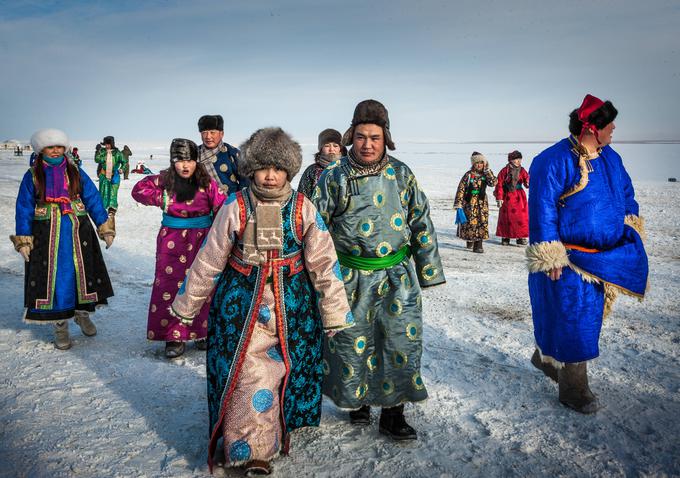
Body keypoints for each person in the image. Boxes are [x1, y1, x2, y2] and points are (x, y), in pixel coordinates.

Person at [170, 127, 353, 475]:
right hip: (241, 306)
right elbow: (210, 258)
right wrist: (187, 304)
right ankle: (252, 450)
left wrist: (334, 312)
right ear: (251, 169)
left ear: (289, 171)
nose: (270, 176)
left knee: (282, 372)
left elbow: (324, 263)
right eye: (264, 168)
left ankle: (268, 436)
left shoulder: (303, 208)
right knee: (248, 373)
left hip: (292, 307)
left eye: (279, 169)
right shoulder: (235, 206)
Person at [312, 99, 445, 440]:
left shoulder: (401, 174)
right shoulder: (333, 176)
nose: (367, 144)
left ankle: (393, 413)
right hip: (350, 278)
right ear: (350, 138)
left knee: (398, 344)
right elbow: (315, 229)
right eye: (360, 137)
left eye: (374, 137)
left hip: (396, 277)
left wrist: (427, 268)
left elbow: (420, 220)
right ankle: (358, 404)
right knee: (353, 343)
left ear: (386, 138)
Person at [527, 94, 648, 414]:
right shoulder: (552, 160)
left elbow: (626, 196)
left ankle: (546, 359)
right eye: (609, 124)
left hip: (604, 257)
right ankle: (573, 388)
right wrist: (550, 254)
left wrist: (629, 230)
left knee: (588, 319)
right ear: (592, 128)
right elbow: (542, 209)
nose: (614, 129)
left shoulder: (612, 159)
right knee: (574, 319)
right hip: (568, 259)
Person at [10, 129, 115, 350]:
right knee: (56, 279)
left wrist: (104, 226)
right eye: (51, 146)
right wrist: (23, 239)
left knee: (81, 274)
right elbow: (24, 207)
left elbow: (92, 197)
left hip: (78, 232)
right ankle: (60, 325)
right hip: (46, 236)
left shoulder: (75, 171)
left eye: (59, 146)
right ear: (41, 150)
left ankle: (81, 314)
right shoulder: (32, 175)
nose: (56, 150)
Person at [132, 139, 226, 358]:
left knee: (202, 283)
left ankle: (202, 332)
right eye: (179, 160)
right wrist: (159, 198)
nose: (185, 166)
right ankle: (174, 336)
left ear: (196, 161)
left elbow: (222, 207)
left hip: (202, 240)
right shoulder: (165, 180)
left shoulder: (207, 182)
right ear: (173, 161)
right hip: (171, 240)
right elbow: (138, 190)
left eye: (190, 160)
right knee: (170, 285)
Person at [453, 152, 497, 253]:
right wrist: (458, 203)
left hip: (482, 203)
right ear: (473, 164)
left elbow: (493, 182)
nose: (479, 165)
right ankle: (470, 239)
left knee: (482, 222)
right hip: (469, 203)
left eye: (481, 163)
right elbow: (461, 189)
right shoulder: (468, 175)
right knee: (471, 223)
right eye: (477, 163)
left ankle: (478, 245)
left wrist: (488, 171)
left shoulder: (486, 174)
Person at [197, 114, 249, 194]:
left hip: (230, 202)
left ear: (221, 134)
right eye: (204, 133)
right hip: (202, 203)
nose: (208, 136)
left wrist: (238, 199)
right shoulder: (194, 153)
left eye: (212, 132)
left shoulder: (232, 152)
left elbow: (245, 179)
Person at [297, 128, 347, 198]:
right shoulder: (312, 170)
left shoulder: (348, 169)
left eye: (335, 146)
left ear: (340, 148)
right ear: (321, 148)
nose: (331, 149)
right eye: (327, 146)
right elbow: (302, 198)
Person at [494, 150, 529, 245]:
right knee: (507, 217)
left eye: (519, 159)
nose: (518, 161)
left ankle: (520, 237)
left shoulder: (522, 170)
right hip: (507, 196)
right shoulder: (505, 170)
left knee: (521, 217)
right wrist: (499, 197)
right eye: (516, 159)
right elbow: (499, 184)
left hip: (519, 197)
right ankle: (505, 237)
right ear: (511, 160)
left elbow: (527, 182)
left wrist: (529, 181)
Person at [94, 136, 127, 215]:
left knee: (113, 192)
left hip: (114, 175)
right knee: (103, 192)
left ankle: (112, 208)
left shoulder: (117, 153)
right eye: (105, 144)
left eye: (108, 144)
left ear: (112, 144)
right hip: (104, 175)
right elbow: (97, 159)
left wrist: (122, 169)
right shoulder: (102, 151)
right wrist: (98, 151)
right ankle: (102, 207)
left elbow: (124, 162)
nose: (107, 146)